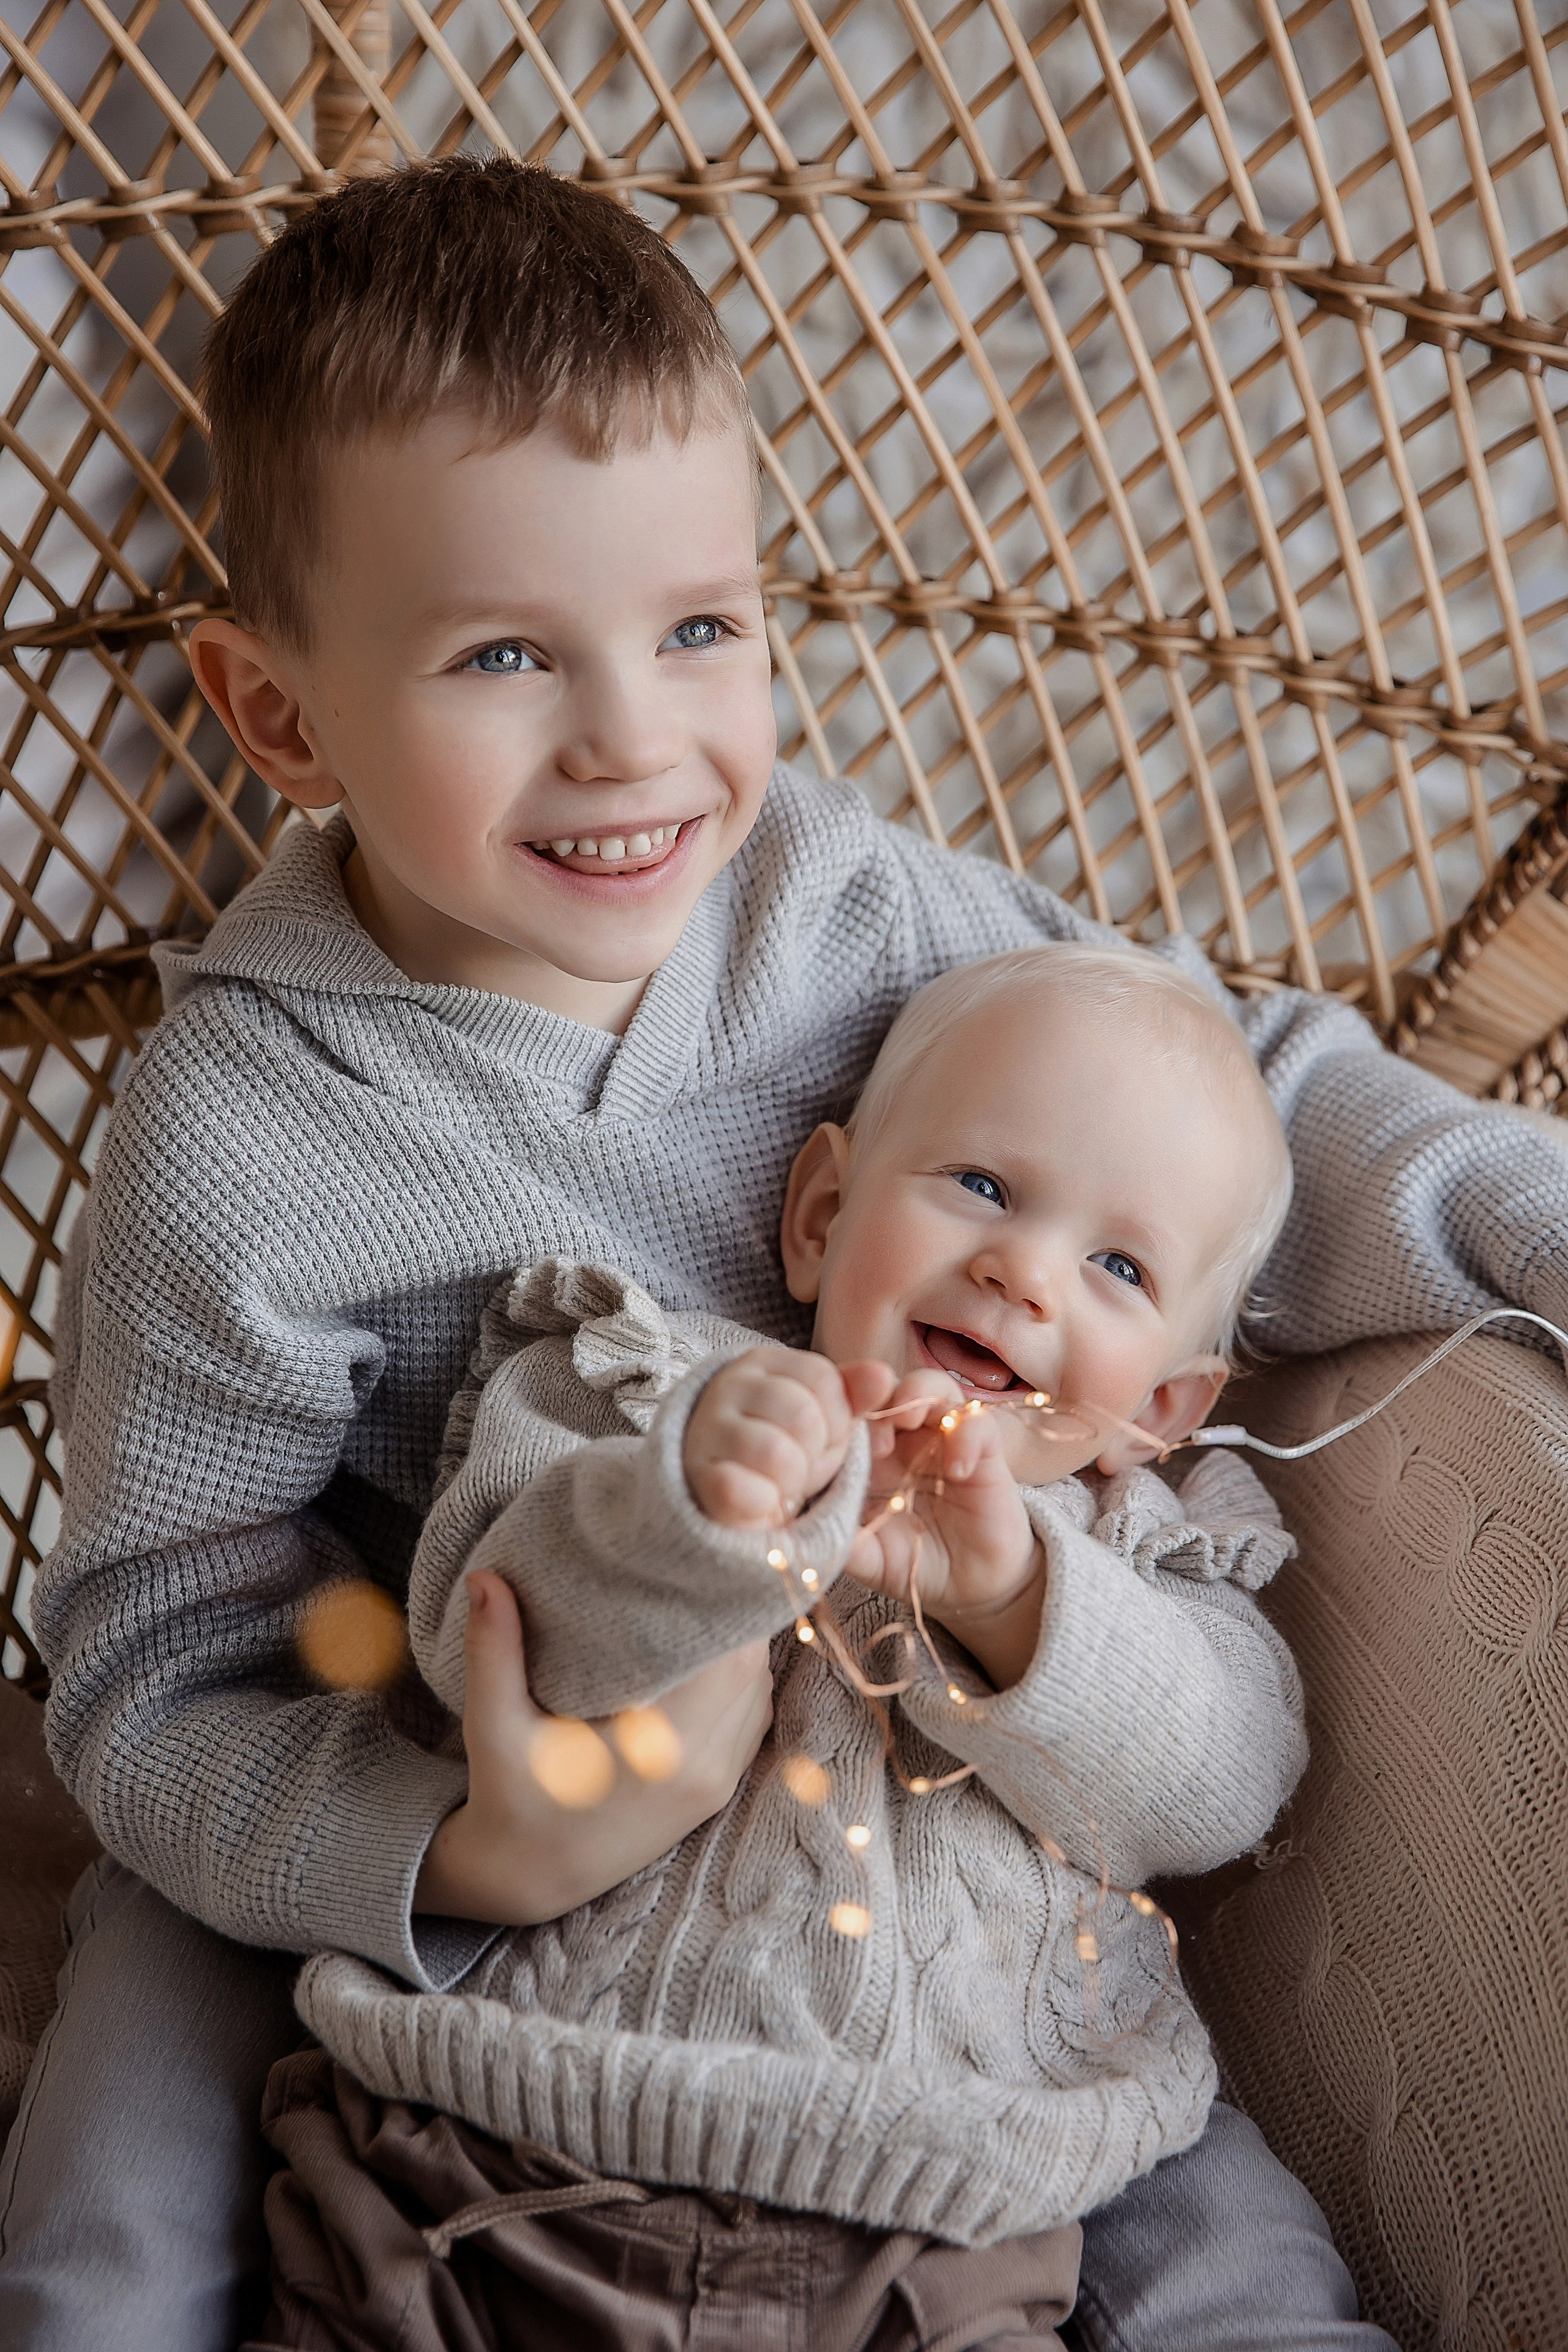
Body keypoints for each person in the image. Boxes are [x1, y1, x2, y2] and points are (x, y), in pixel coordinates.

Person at [0, 151, 1559, 2351]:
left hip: (904, 1776)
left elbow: (1227, 1080)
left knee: (1178, 2163)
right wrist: (462, 1854)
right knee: (112, 2194)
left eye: (702, 628)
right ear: (277, 713)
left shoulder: (841, 908)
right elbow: (165, 1672)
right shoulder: (241, 1142)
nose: (637, 741)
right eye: (507, 654)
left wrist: (1536, 1227)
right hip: (433, 1751)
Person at [257, 939, 1341, 2350]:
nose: (1021, 1272)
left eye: (1117, 1265)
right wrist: (692, 1509)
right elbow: (487, 1644)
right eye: (982, 1187)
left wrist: (1016, 1597)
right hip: (488, 2153)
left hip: (939, 2237)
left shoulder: (1149, 1551)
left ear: (1170, 1404)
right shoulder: (642, 1384)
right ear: (820, 1214)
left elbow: (1220, 1785)